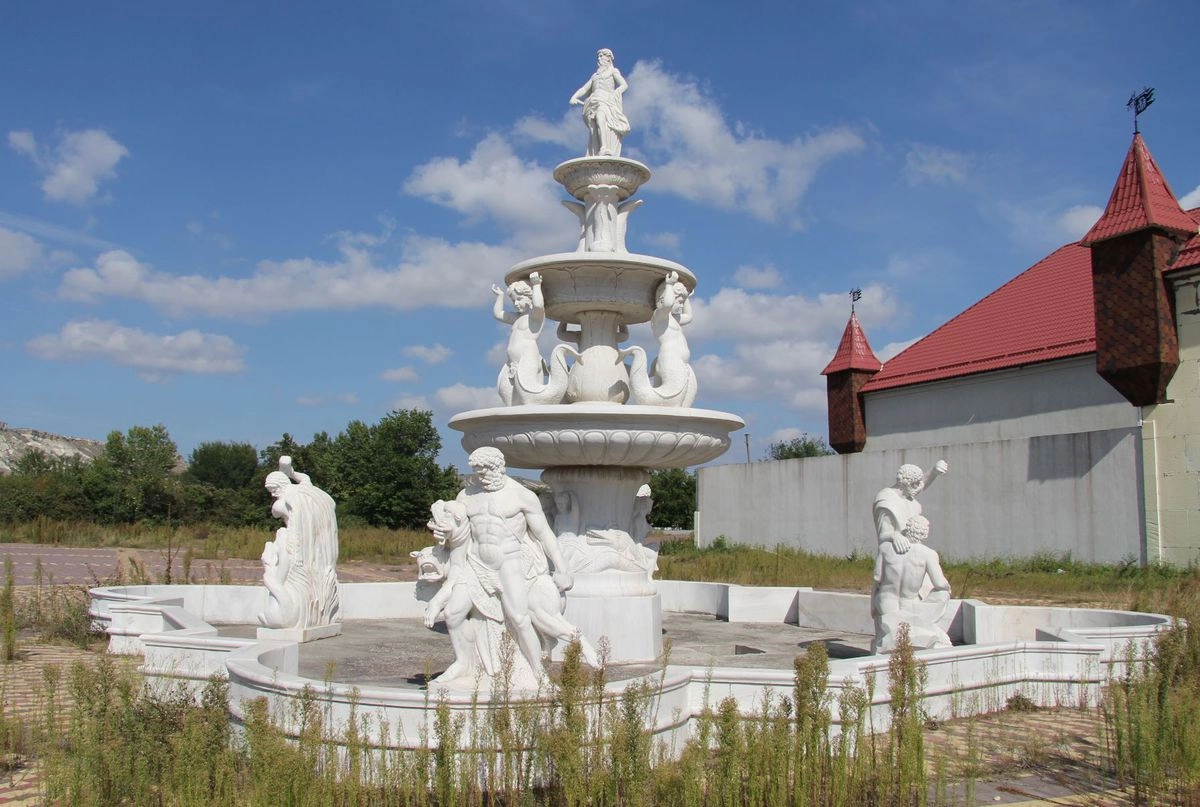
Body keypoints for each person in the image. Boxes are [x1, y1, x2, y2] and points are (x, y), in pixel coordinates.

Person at [455, 447, 588, 679]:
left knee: (520, 618)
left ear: (499, 467)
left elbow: (544, 534)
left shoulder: (521, 495)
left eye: (485, 471)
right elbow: (455, 534)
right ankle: (463, 664)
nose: (481, 476)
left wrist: (563, 568)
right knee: (453, 614)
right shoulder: (466, 496)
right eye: (477, 471)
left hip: (508, 564)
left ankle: (538, 673)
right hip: (475, 564)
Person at [259, 456, 341, 630]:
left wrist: (286, 473)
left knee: (288, 577)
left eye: (273, 490)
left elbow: (277, 513)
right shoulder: (306, 490)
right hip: (316, 545)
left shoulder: (284, 502)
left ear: (280, 485)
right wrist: (291, 472)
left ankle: (294, 616)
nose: (272, 494)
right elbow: (305, 478)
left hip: (298, 546)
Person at [871, 514, 952, 653]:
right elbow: (940, 583)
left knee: (892, 634)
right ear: (924, 533)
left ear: (907, 529)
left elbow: (877, 577)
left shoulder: (885, 548)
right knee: (943, 593)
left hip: (885, 602)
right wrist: (947, 588)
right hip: (910, 604)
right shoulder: (928, 554)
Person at [873, 460, 947, 554]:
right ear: (905, 484)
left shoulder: (908, 496)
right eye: (915, 483)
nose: (919, 486)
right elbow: (882, 535)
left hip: (912, 549)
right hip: (895, 550)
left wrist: (934, 472)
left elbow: (920, 485)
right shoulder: (886, 500)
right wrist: (895, 536)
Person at [569, 48, 630, 157]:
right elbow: (584, 89)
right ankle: (598, 149)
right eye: (599, 56)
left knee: (600, 117)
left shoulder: (613, 71)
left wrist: (615, 93)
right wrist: (574, 96)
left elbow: (624, 85)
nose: (599, 58)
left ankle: (604, 148)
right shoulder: (594, 76)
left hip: (606, 100)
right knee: (594, 128)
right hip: (593, 102)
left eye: (602, 56)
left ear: (608, 58)